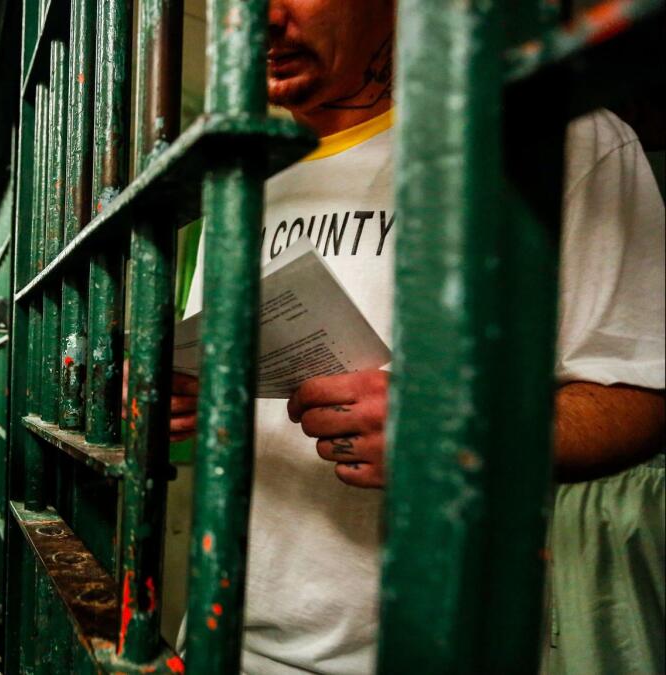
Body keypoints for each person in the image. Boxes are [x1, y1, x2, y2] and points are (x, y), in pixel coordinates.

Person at [174, 1, 665, 672]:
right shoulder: (241, 170)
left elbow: (644, 389)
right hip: (216, 631)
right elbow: (225, 380)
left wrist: (455, 436)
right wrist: (173, 396)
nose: (262, 18)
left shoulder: (555, 135)